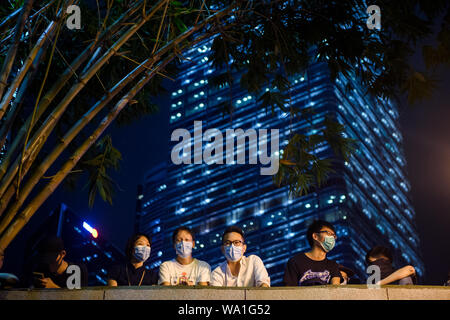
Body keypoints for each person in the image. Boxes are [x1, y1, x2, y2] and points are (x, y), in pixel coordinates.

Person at [283, 220, 341, 286]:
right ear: (315, 236)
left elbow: (336, 290)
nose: (332, 238)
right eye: (328, 233)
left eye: (334, 236)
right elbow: (289, 291)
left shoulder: (333, 265)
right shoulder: (295, 262)